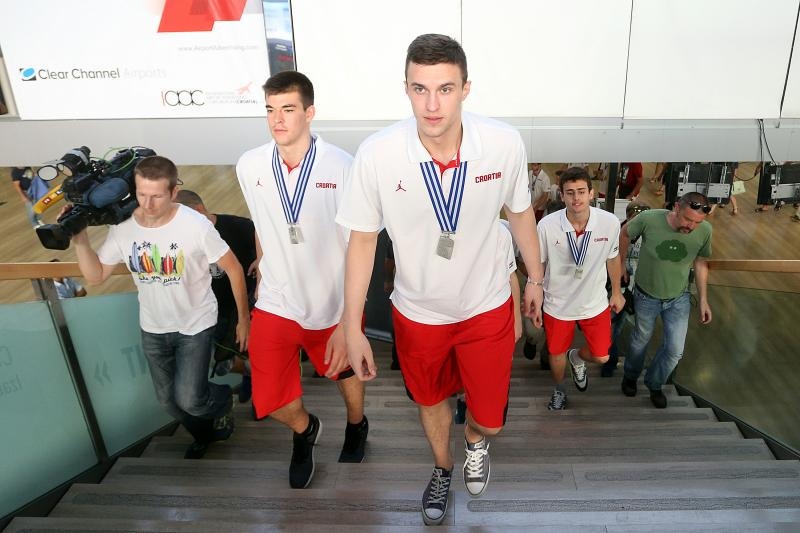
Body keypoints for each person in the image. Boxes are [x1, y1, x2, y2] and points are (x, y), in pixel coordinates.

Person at [336, 34, 544, 526]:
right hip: (418, 312)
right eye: (420, 89)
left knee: (489, 419)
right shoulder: (377, 154)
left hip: (486, 305)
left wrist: (534, 278)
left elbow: (520, 214)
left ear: (466, 89)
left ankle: (473, 442)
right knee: (430, 401)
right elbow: (361, 243)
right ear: (405, 89)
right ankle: (442, 467)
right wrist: (352, 325)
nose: (432, 104)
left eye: (445, 89)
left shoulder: (502, 143)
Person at [236, 70, 368, 490]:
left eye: (288, 109)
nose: (277, 119)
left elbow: (358, 245)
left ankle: (356, 425)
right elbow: (263, 221)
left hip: (332, 301)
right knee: (269, 398)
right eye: (271, 110)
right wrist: (261, 264)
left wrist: (349, 319)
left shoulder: (343, 167)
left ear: (309, 113)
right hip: (276, 300)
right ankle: (304, 430)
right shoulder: (250, 164)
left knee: (345, 374)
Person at [71, 155, 249, 459]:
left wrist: (243, 319)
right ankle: (208, 434)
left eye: (156, 196)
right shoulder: (123, 227)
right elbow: (96, 276)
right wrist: (79, 238)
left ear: (173, 193)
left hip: (196, 324)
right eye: (141, 194)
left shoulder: (195, 226)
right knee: (168, 402)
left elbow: (232, 268)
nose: (148, 203)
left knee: (191, 400)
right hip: (153, 327)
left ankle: (221, 398)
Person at [537, 167, 624, 410]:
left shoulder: (609, 223)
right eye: (570, 193)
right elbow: (538, 264)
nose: (576, 198)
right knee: (555, 354)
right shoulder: (546, 226)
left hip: (594, 302)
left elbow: (613, 257)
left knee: (602, 355)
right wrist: (535, 296)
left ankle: (576, 357)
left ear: (591, 193)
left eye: (581, 192)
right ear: (561, 196)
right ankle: (559, 390)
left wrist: (616, 291)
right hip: (557, 304)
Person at [620, 192, 713, 408]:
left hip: (679, 298)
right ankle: (630, 376)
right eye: (687, 219)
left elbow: (701, 263)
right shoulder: (649, 219)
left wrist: (704, 300)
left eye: (697, 222)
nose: (691, 226)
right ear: (676, 208)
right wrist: (622, 263)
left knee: (674, 350)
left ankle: (655, 383)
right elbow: (625, 233)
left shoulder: (706, 231)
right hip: (645, 295)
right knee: (640, 339)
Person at [175, 189, 258, 403]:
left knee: (252, 353)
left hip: (247, 307)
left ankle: (259, 387)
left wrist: (262, 265)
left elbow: (267, 250)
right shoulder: (184, 237)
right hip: (211, 313)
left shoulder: (241, 227)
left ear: (199, 210)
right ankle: (250, 373)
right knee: (220, 364)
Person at [601, 201, 650, 377]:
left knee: (640, 332)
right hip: (618, 289)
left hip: (642, 289)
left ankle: (632, 369)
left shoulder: (650, 235)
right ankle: (610, 361)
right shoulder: (616, 231)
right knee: (613, 327)